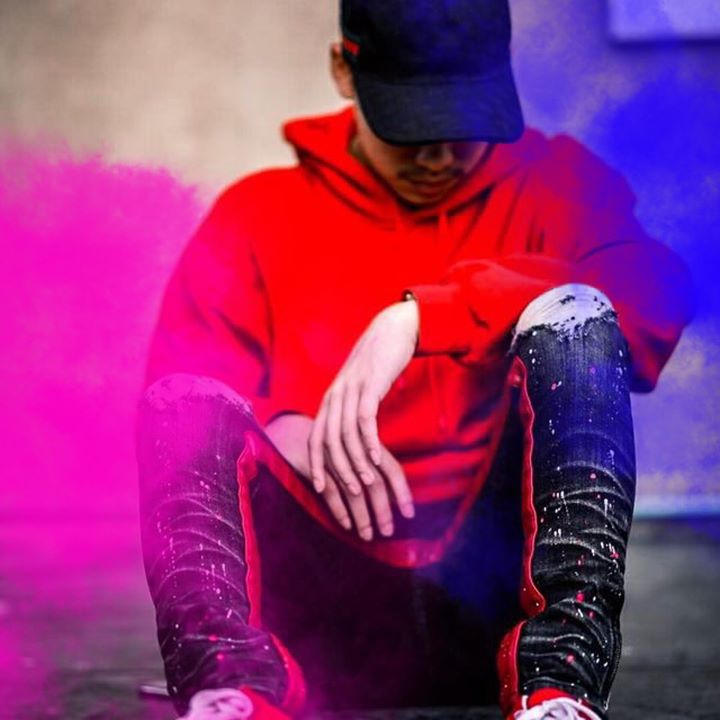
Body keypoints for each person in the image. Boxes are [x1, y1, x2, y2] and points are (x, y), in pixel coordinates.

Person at [135, 1, 695, 719]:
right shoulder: (253, 215)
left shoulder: (560, 184)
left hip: (499, 601)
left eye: (464, 124)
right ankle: (231, 685)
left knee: (580, 317)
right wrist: (276, 422)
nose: (438, 156)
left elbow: (655, 301)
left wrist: (429, 314)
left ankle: (559, 687)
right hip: (322, 628)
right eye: (412, 126)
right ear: (344, 70)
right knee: (182, 404)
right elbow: (179, 407)